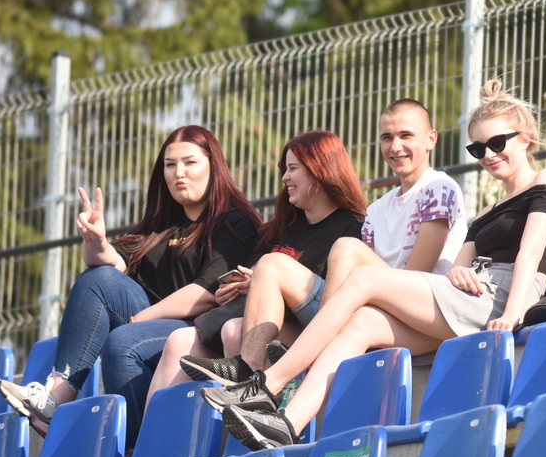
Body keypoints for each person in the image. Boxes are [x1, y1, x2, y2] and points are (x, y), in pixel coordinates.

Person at [204, 80, 546, 449]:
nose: (488, 155)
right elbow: (460, 263)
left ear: (525, 140)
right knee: (362, 323)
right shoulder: (490, 208)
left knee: (363, 278)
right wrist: (461, 269)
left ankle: (268, 384)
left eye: (497, 143)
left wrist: (514, 313)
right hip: (466, 295)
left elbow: (530, 254)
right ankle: (287, 424)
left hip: (501, 297)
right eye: (478, 148)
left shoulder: (545, 180)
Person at [0, 125, 261, 447]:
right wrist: (96, 241)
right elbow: (114, 265)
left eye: (190, 162)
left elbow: (206, 293)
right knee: (96, 279)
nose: (179, 173)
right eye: (170, 165)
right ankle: (55, 396)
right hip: (155, 323)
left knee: (122, 342)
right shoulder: (160, 226)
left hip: (199, 330)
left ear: (213, 166)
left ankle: (134, 450)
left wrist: (139, 319)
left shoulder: (235, 222)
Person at [177, 98, 467, 383]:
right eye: (386, 137)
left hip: (420, 312)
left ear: (431, 139)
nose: (395, 146)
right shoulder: (377, 209)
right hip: (367, 306)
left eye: (406, 135)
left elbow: (415, 277)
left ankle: (312, 352)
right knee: (268, 267)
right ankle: (248, 368)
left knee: (344, 249)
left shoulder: (438, 188)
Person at [144, 129, 366, 398]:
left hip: (312, 325)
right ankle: (153, 426)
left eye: (293, 169)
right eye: (284, 169)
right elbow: (250, 275)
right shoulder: (280, 227)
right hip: (254, 319)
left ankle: (252, 393)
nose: (285, 177)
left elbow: (338, 297)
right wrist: (234, 289)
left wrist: (265, 280)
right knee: (180, 340)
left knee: (235, 329)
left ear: (320, 170)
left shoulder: (353, 227)